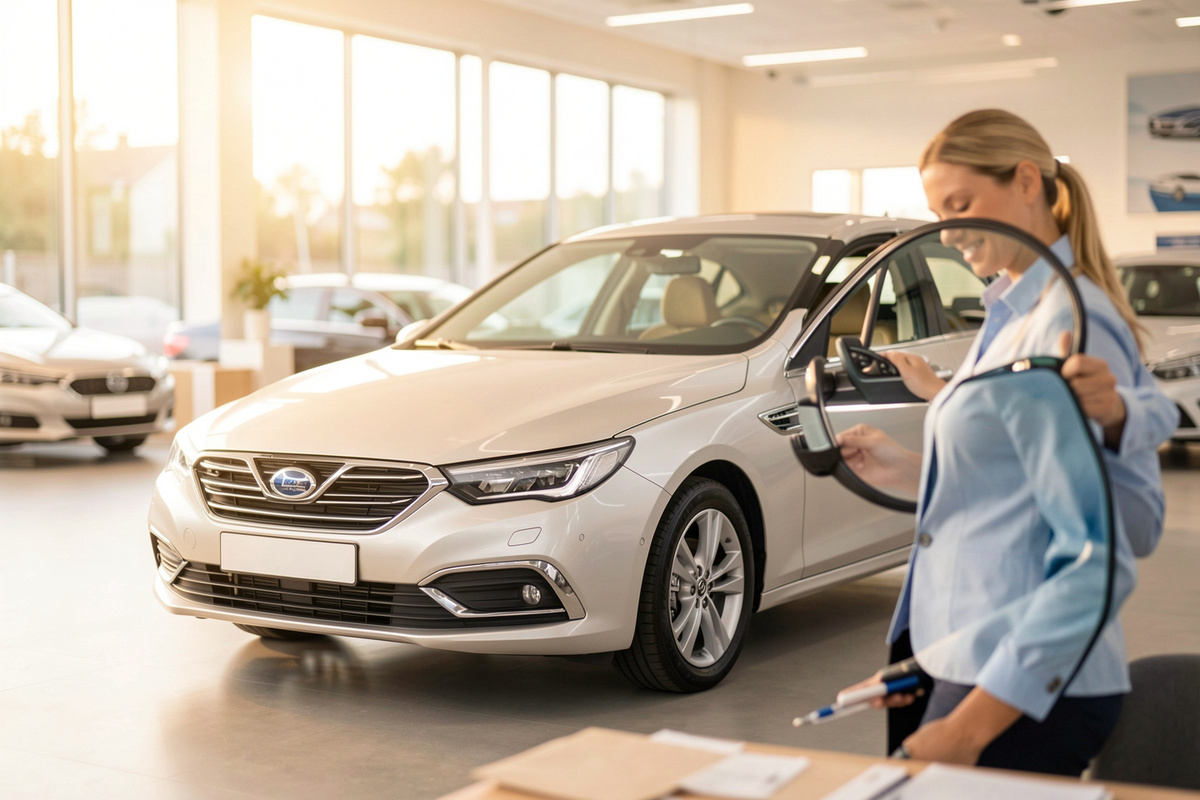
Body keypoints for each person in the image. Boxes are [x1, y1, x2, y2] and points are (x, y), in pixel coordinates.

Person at [835, 109, 1178, 776]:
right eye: (938, 212)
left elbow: (1109, 542)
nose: (948, 231)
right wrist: (908, 467)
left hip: (1021, 675)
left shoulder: (1069, 321)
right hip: (967, 649)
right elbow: (1013, 485)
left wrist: (968, 728)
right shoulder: (1009, 311)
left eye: (961, 204)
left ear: (1025, 181)